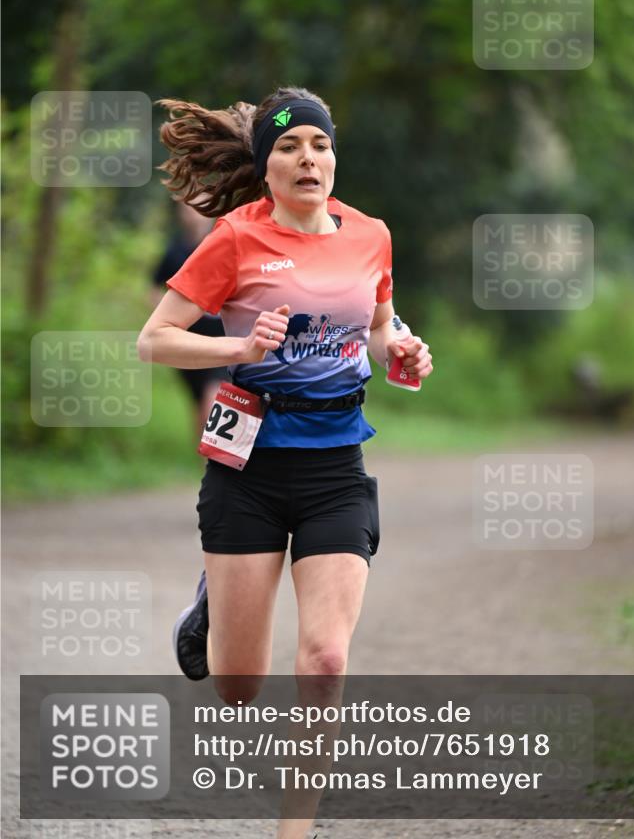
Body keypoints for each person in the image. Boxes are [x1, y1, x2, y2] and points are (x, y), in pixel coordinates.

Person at [137, 86, 433, 839]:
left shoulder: (370, 235)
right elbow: (156, 339)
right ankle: (211, 598)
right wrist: (239, 347)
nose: (309, 158)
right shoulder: (234, 238)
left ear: (334, 157)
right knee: (239, 686)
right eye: (290, 147)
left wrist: (399, 345)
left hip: (336, 464)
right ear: (265, 166)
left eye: (320, 145)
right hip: (248, 471)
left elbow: (374, 323)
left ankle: (292, 832)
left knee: (326, 660)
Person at [150, 199, 230, 442]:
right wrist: (166, 321)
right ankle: (207, 463)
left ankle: (223, 461)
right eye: (188, 209)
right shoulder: (173, 251)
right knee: (200, 404)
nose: (194, 215)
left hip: (225, 340)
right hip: (187, 342)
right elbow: (154, 287)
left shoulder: (225, 244)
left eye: (200, 208)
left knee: (214, 397)